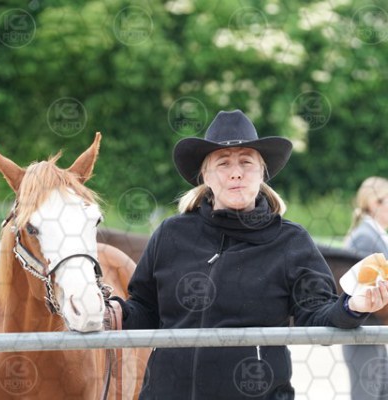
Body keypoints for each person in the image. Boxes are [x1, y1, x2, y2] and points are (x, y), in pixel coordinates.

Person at [112, 110, 388, 399]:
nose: (236, 172)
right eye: (223, 163)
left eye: (246, 162)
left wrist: (353, 306)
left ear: (262, 172)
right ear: (205, 175)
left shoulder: (290, 242)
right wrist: (116, 313)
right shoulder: (170, 234)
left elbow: (318, 316)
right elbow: (145, 309)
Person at [342, 177, 388, 400]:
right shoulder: (365, 237)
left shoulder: (374, 234)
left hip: (373, 332)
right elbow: (361, 290)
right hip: (364, 331)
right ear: (374, 202)